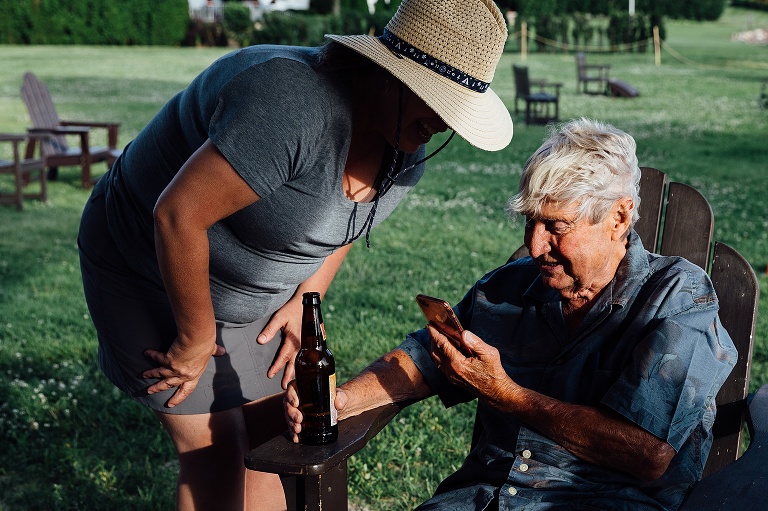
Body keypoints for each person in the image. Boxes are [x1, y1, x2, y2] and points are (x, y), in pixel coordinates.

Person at [76, 0, 513, 508]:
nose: (445, 123)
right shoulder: (292, 106)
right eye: (441, 101)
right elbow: (176, 216)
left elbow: (347, 221)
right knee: (216, 453)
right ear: (395, 76)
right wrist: (195, 338)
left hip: (250, 288)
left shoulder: (406, 146)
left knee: (275, 446)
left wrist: (305, 296)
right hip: (147, 267)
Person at [284, 118, 738, 510]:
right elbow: (423, 359)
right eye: (530, 222)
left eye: (556, 227)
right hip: (480, 498)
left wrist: (507, 394)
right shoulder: (507, 289)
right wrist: (341, 401)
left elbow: (647, 453)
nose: (536, 246)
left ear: (619, 218)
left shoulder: (676, 298)